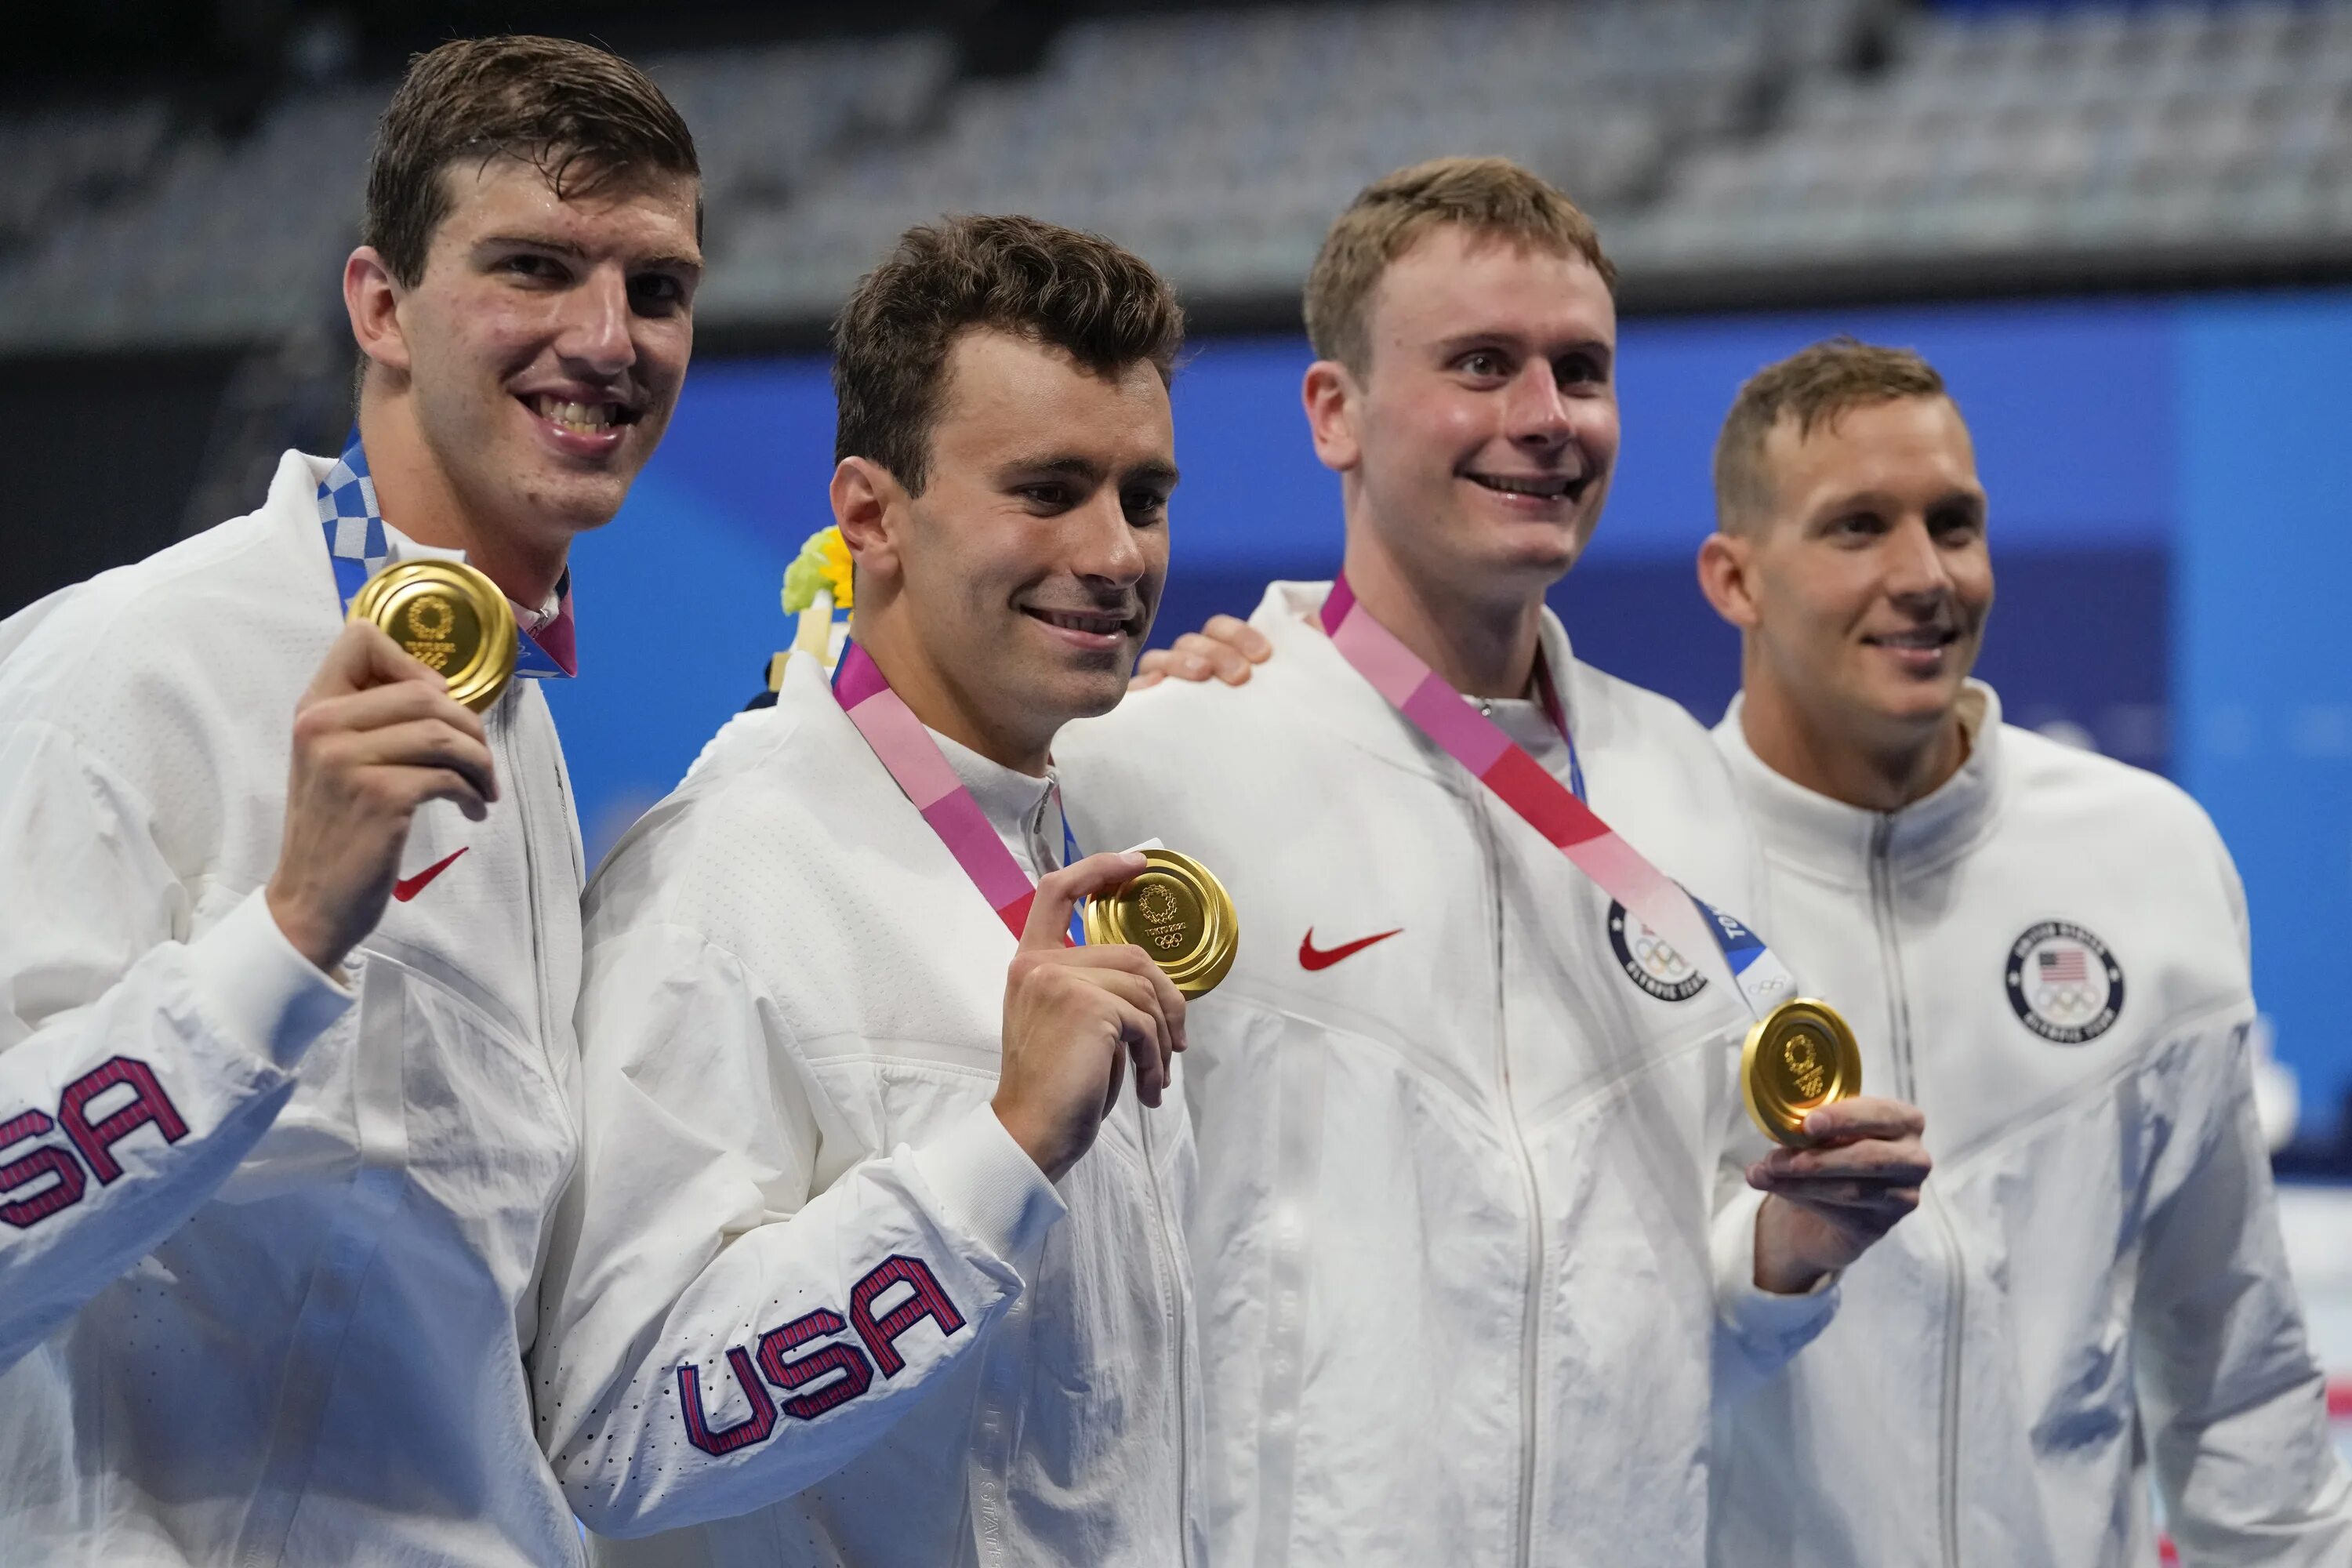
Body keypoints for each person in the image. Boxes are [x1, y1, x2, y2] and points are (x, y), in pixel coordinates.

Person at [1058, 156, 1929, 1568]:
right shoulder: (1160, 762)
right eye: (1481, 364)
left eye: (1580, 371)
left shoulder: (1680, 784)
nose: (1544, 420)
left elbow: (1694, 1285)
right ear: (1333, 414)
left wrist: (1791, 1252)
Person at [0, 36, 701, 1564]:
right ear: (379, 304)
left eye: (655, 288)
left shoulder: (518, 722)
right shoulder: (129, 670)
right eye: (535, 266)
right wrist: (287, 934)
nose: (608, 338)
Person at [534, 215, 1202, 1566]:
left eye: (1142, 497)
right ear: (869, 514)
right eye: (1047, 489)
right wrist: (999, 1152)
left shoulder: (1067, 835)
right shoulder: (723, 871)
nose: (1118, 553)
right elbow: (616, 1433)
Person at [1690, 339, 2352, 1566]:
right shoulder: (1643, 873)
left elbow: (2233, 1365)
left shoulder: (2148, 854)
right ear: (1737, 579)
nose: (1925, 575)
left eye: (1954, 523)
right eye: (1858, 529)